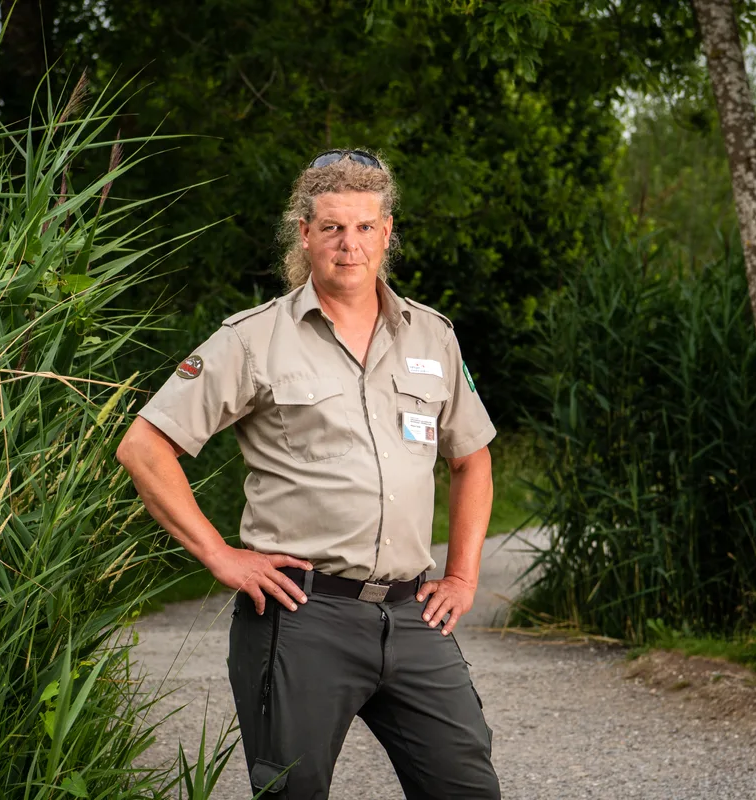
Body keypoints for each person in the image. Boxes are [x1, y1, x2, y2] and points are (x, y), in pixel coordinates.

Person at [116, 149, 501, 799]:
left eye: (364, 227)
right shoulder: (253, 339)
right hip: (301, 617)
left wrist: (462, 576)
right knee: (291, 792)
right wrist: (220, 556)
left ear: (386, 234)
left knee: (467, 787)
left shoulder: (432, 338)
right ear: (305, 234)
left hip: (412, 618)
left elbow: (473, 457)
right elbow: (144, 446)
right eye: (332, 227)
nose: (349, 244)